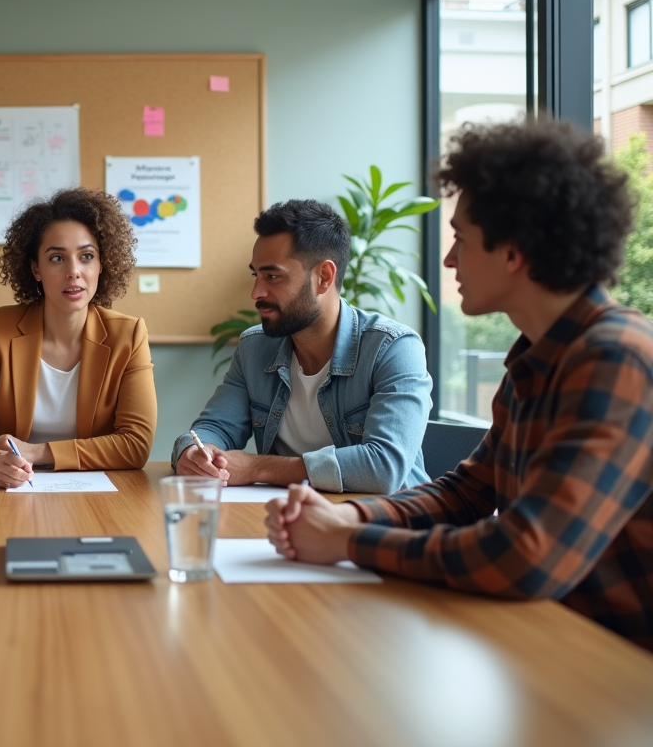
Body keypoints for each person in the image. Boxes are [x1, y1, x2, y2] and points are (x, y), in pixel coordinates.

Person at [265, 118, 653, 651]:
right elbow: (465, 493)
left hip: (618, 667)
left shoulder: (617, 359)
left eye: (461, 240)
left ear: (513, 252)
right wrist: (348, 512)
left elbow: (528, 555)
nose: (449, 259)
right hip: (548, 641)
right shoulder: (538, 359)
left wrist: (350, 539)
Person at [173, 199, 432, 494]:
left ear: (324, 277)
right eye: (255, 275)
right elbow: (215, 427)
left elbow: (384, 467)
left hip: (382, 525)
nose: (256, 292)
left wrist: (258, 467)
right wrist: (195, 454)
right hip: (285, 518)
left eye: (272, 276)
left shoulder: (393, 348)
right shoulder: (254, 348)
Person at [0, 187, 156, 488]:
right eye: (57, 258)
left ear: (101, 265)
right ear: (35, 269)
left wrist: (38, 452)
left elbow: (135, 444)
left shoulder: (128, 335)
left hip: (99, 495)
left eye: (86, 256)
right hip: (14, 491)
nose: (74, 272)